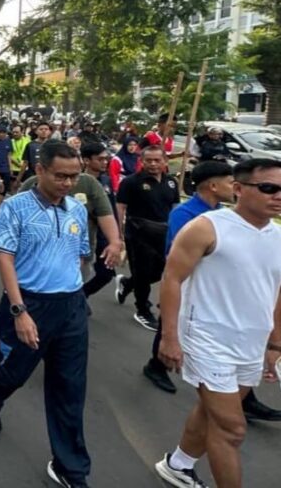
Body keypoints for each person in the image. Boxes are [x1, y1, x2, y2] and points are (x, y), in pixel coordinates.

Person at [154, 158, 281, 488]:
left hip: (251, 342)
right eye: (269, 188)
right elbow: (172, 278)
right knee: (232, 429)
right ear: (238, 189)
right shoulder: (207, 227)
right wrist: (169, 337)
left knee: (211, 410)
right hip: (207, 339)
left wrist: (275, 344)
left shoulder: (278, 236)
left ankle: (178, 465)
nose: (278, 195)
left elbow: (278, 292)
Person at [0, 141, 93, 488]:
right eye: (60, 176)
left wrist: (72, 290)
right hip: (29, 303)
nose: (68, 183)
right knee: (13, 372)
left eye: (74, 176)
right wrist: (19, 310)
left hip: (70, 307)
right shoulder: (16, 207)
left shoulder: (77, 209)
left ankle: (70, 467)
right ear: (40, 170)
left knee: (70, 387)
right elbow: (5, 257)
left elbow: (80, 253)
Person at [141, 161, 234, 395]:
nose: (235, 188)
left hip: (214, 284)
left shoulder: (223, 214)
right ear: (213, 186)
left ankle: (243, 393)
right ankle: (157, 365)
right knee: (171, 320)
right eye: (230, 183)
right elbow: (176, 255)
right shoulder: (185, 214)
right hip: (188, 281)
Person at [115, 145, 178, 331]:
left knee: (161, 270)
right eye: (148, 160)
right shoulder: (131, 182)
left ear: (165, 161)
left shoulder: (171, 182)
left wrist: (177, 231)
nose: (153, 164)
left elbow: (175, 207)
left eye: (157, 160)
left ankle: (128, 284)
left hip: (164, 232)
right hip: (138, 232)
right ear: (141, 161)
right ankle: (142, 309)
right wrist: (118, 233)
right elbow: (120, 207)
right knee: (142, 272)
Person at [77, 143, 123, 299]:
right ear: (86, 160)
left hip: (104, 234)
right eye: (100, 159)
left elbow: (111, 209)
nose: (105, 162)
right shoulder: (77, 181)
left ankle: (81, 296)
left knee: (106, 274)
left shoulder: (105, 181)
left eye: (106, 159)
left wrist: (117, 237)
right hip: (83, 234)